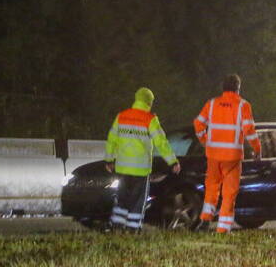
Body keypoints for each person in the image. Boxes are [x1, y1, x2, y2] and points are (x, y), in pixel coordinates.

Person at [104, 87, 180, 231]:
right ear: (149, 102)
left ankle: (117, 226)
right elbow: (161, 142)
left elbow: (111, 139)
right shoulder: (150, 119)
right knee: (138, 200)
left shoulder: (122, 116)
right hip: (140, 169)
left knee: (122, 199)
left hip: (123, 168)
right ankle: (133, 228)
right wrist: (172, 161)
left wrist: (108, 160)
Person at [193, 74, 261, 233]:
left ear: (222, 87)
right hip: (232, 157)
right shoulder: (243, 105)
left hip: (213, 155)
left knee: (211, 189)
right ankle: (223, 229)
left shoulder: (211, 104)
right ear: (238, 88)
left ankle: (205, 220)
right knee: (229, 193)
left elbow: (198, 124)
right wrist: (257, 148)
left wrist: (205, 141)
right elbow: (249, 130)